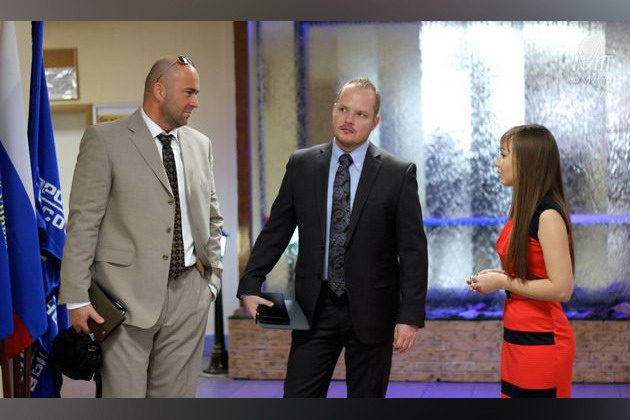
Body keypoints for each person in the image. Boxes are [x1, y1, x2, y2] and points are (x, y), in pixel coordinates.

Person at [237, 78, 428, 398]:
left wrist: (409, 316)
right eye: (343, 109)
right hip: (314, 307)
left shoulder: (398, 173)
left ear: (375, 122)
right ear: (333, 110)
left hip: (373, 310)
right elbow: (277, 230)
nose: (348, 119)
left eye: (360, 114)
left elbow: (412, 251)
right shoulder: (302, 164)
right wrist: (250, 283)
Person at [59, 56, 223, 398]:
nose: (196, 102)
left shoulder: (200, 144)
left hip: (189, 296)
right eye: (189, 92)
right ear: (159, 90)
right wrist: (75, 297)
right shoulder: (104, 140)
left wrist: (211, 283)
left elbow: (212, 217)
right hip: (123, 298)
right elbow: (83, 223)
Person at [468, 124, 575, 398]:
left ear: (527, 162)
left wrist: (503, 281)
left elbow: (562, 289)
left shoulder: (547, 215)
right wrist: (496, 276)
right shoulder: (524, 211)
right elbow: (533, 271)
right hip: (519, 334)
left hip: (543, 338)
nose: (497, 162)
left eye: (504, 155)